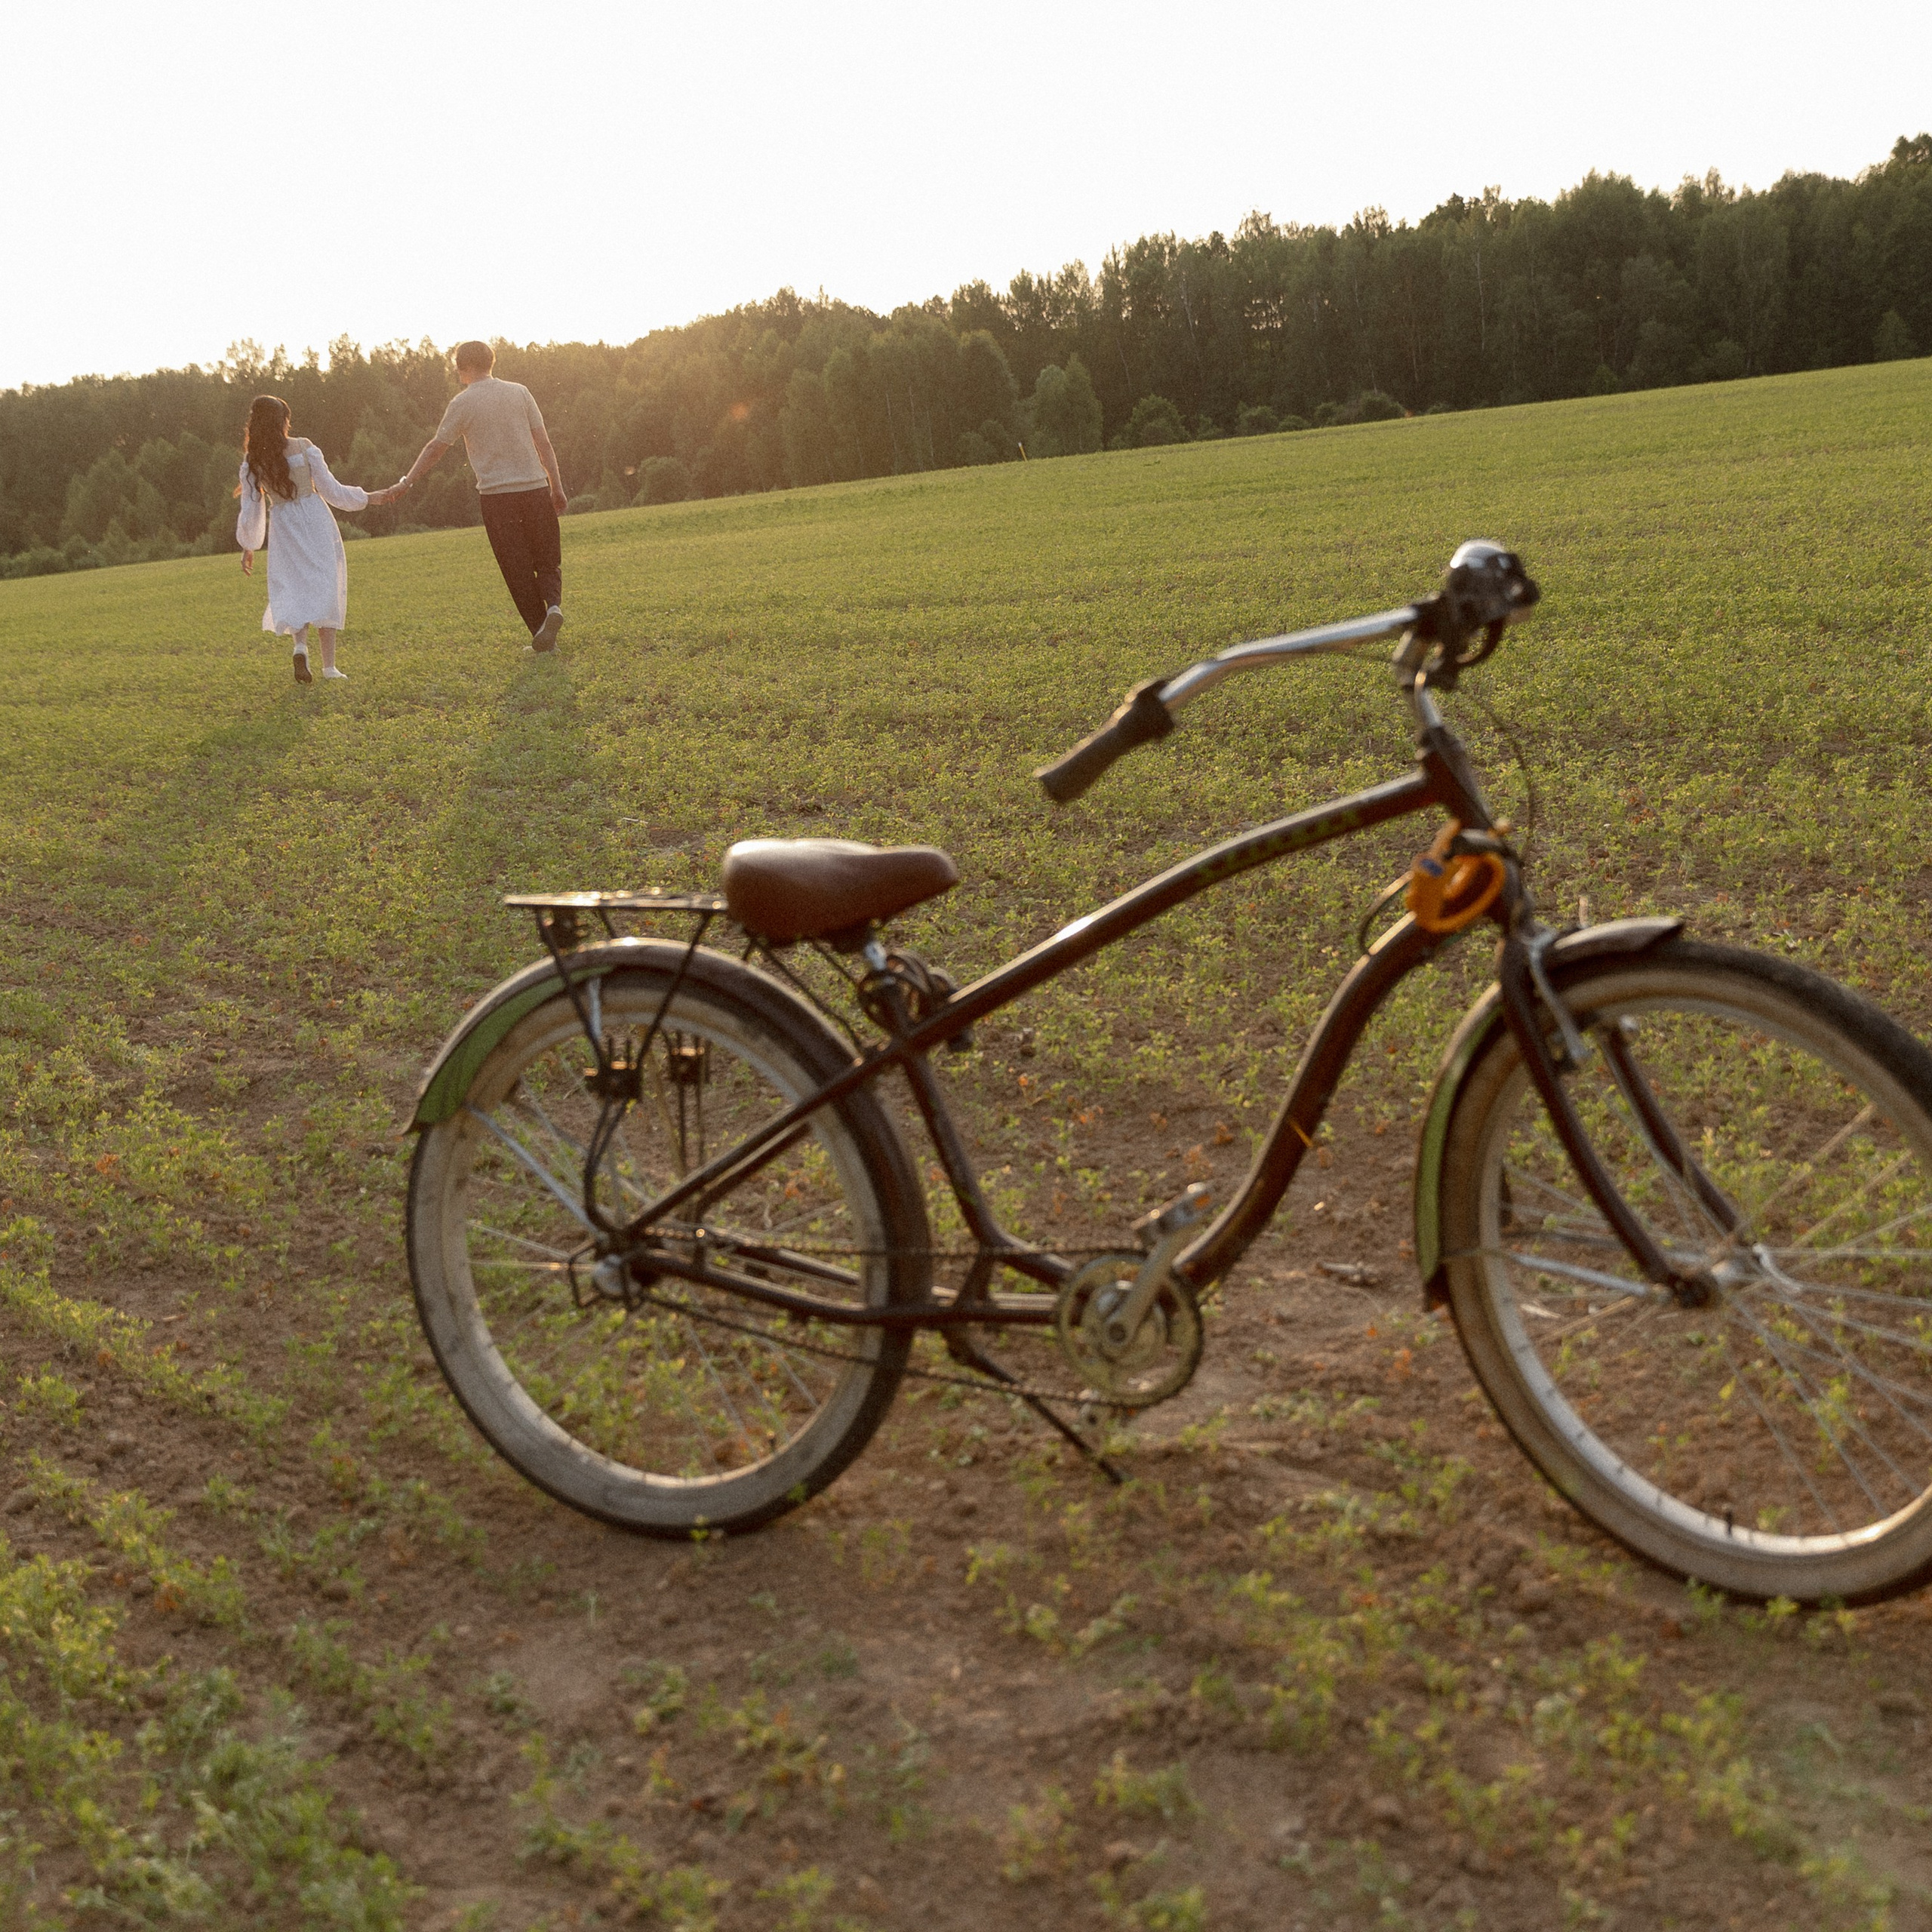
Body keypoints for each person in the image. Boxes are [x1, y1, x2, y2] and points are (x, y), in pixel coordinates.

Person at [394, 341, 569, 651]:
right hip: (535, 488)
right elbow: (544, 444)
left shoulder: (462, 403)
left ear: (462, 368)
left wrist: (407, 481)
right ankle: (553, 607)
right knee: (547, 559)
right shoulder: (520, 392)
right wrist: (556, 486)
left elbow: (436, 448)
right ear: (492, 362)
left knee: (516, 569)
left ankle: (542, 633)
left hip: (497, 498)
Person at [235, 395, 398, 684]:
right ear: (283, 421)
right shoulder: (304, 448)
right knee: (325, 586)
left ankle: (300, 647)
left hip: (284, 525)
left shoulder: (253, 462)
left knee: (296, 587)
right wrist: (369, 498)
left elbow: (251, 508)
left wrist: (249, 545)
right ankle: (330, 667)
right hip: (314, 519)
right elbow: (332, 491)